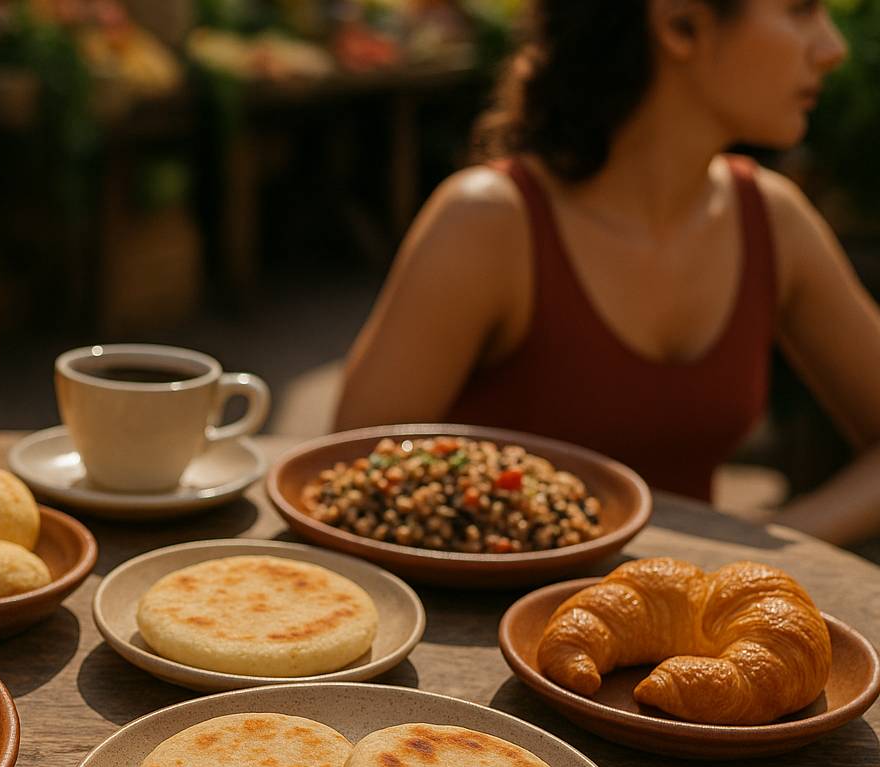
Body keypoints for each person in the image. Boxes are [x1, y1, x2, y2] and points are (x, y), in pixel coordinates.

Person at [333, 0, 880, 546]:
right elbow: (339, 483)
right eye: (801, 10)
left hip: (676, 603)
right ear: (682, 25)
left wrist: (774, 547)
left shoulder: (772, 220)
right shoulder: (489, 222)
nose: (832, 49)